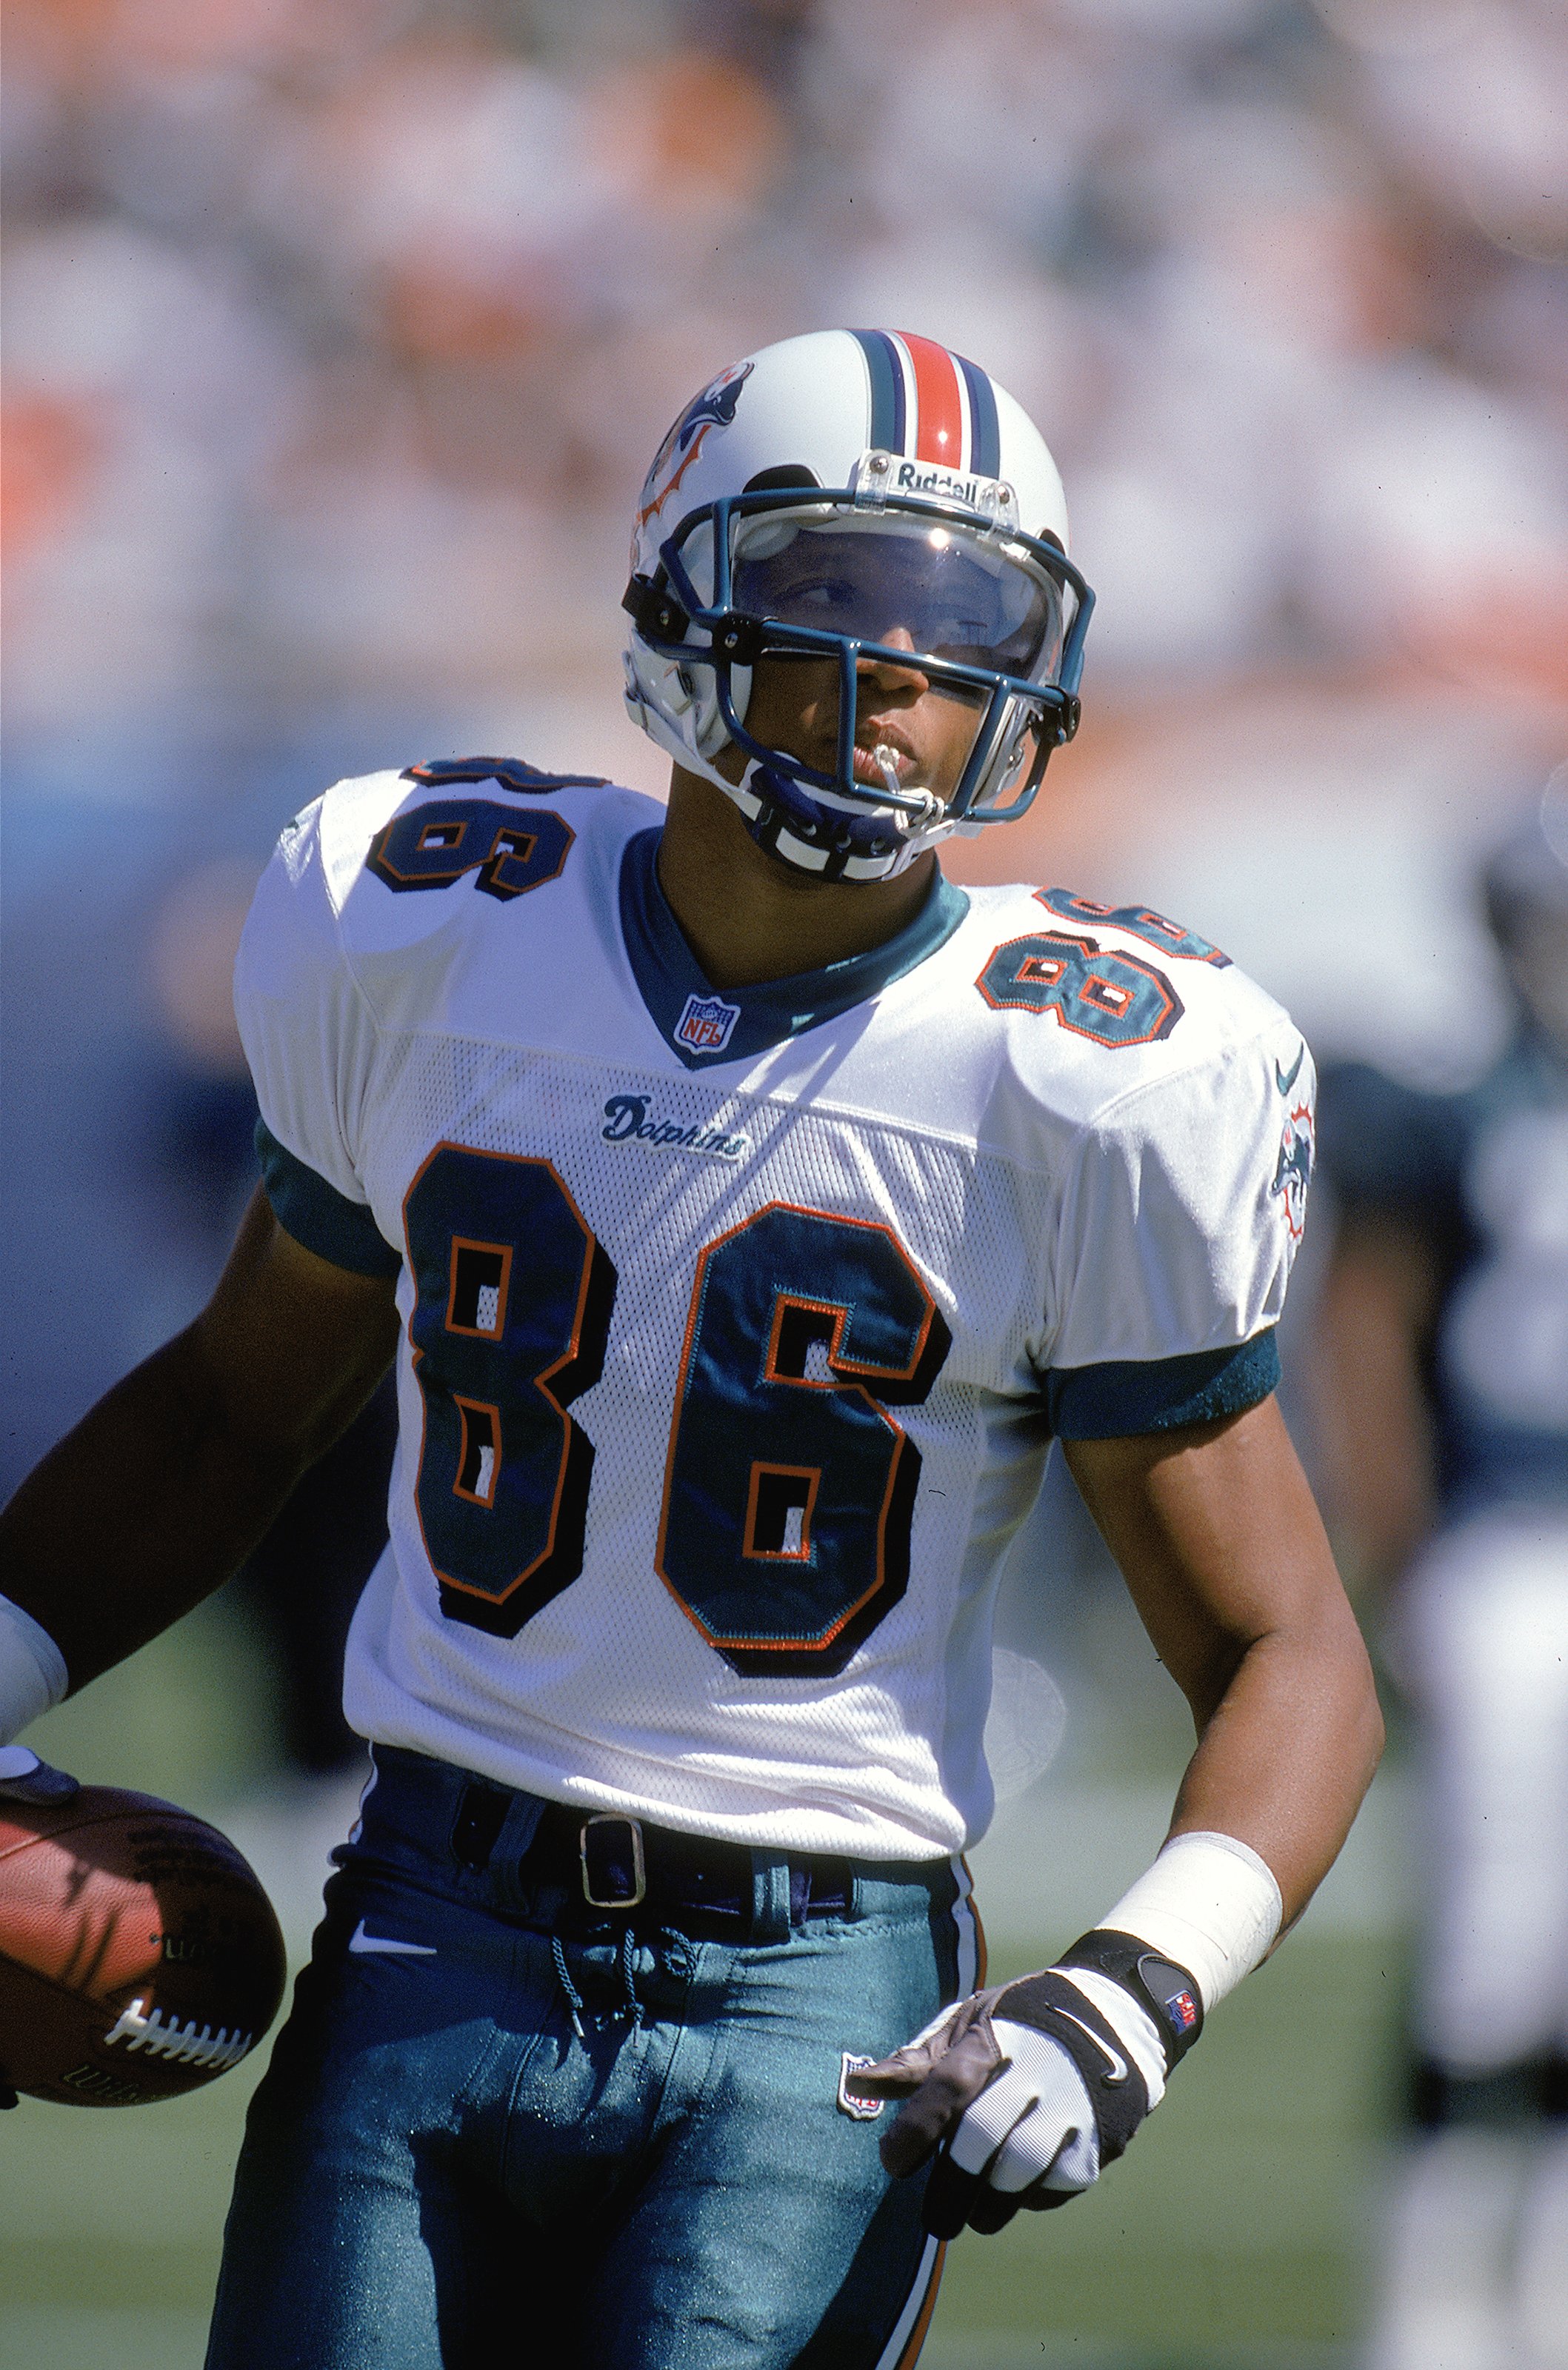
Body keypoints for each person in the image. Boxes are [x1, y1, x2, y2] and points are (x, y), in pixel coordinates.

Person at [0, 327, 1381, 2370]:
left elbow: (1283, 1651)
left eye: (964, 624)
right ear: (682, 590)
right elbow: (226, 1406)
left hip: (814, 2001)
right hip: (427, 1923)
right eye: (841, 599)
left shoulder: (1091, 1077)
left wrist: (1132, 1986)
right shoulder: (424, 919)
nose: (905, 678)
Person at [1311, 787, 1568, 2370]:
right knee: (1483, 1951)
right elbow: (1368, 1332)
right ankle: (1423, 2303)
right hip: (1499, 1553)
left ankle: (1540, 2299)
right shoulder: (1456, 1107)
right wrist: (1393, 1554)